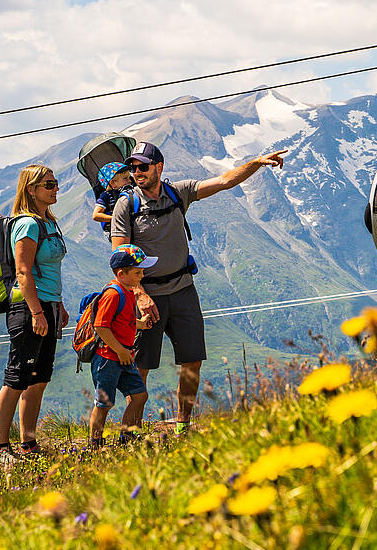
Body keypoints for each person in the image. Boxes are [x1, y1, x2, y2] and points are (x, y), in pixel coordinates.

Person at [111, 141, 287, 434]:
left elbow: (224, 181)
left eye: (142, 166)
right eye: (133, 167)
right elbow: (119, 259)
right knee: (141, 366)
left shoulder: (178, 192)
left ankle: (182, 426)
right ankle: (132, 432)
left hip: (182, 290)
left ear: (158, 167)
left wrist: (256, 162)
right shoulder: (126, 205)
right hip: (148, 295)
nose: (136, 172)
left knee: (192, 361)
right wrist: (139, 295)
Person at [0, 164, 69, 457]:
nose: (55, 188)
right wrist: (37, 313)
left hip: (47, 305)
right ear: (31, 189)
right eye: (48, 184)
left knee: (39, 378)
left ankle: (29, 442)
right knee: (17, 377)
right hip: (28, 309)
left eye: (55, 182)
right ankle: (0, 446)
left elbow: (49, 270)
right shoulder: (27, 224)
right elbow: (23, 273)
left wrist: (57, 305)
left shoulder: (49, 221)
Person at [87, 244, 154, 449]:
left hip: (124, 355)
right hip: (108, 357)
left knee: (140, 395)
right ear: (121, 273)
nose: (141, 276)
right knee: (104, 404)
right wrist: (120, 350)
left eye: (142, 271)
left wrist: (140, 323)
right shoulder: (113, 294)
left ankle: (128, 437)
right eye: (137, 272)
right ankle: (95, 444)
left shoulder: (126, 291)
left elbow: (124, 320)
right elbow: (100, 325)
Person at [92, 163, 132, 233]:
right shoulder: (106, 196)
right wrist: (115, 218)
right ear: (113, 183)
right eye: (125, 178)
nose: (130, 181)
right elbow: (96, 215)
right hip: (115, 230)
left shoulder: (129, 192)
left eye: (129, 178)